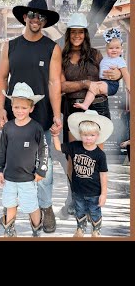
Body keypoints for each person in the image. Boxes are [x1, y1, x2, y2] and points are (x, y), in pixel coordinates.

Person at [0, 0, 61, 233]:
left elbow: (54, 82)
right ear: (25, 17)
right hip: (16, 117)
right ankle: (8, 210)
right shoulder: (10, 46)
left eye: (41, 17)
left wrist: (57, 114)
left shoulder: (52, 48)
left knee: (45, 168)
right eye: (32, 15)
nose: (36, 20)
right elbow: (2, 79)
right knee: (12, 164)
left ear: (45, 21)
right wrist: (1, 108)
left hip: (41, 118)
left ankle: (46, 207)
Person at [58, 13, 121, 218]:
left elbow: (111, 76)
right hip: (73, 107)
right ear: (69, 34)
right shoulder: (62, 56)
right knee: (72, 158)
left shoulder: (96, 54)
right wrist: (85, 83)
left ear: (85, 34)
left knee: (95, 156)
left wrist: (118, 74)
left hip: (98, 107)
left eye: (80, 32)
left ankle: (96, 200)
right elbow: (61, 85)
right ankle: (73, 197)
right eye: (73, 31)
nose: (77, 35)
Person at [0, 82, 48, 237]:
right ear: (12, 107)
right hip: (9, 177)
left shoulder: (36, 128)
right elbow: (2, 150)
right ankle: (9, 230)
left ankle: (36, 230)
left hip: (28, 177)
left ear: (31, 108)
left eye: (24, 108)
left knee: (32, 206)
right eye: (16, 107)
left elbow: (44, 150)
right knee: (10, 204)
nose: (20, 111)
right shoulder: (8, 128)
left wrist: (41, 170)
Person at [52, 110, 113, 237]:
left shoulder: (100, 155)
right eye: (85, 135)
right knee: (79, 210)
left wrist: (104, 194)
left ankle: (96, 230)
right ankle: (80, 228)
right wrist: (55, 135)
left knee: (95, 211)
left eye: (91, 135)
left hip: (94, 192)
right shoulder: (75, 146)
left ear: (97, 135)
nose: (88, 138)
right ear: (80, 134)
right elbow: (58, 147)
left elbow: (103, 174)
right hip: (78, 190)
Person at [73, 27, 130, 110]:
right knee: (92, 88)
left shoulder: (119, 60)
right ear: (106, 49)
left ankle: (86, 104)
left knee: (94, 88)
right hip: (103, 82)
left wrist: (129, 87)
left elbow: (125, 73)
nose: (114, 50)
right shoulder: (105, 58)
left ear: (121, 49)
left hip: (111, 84)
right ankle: (85, 104)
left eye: (117, 48)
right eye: (111, 48)